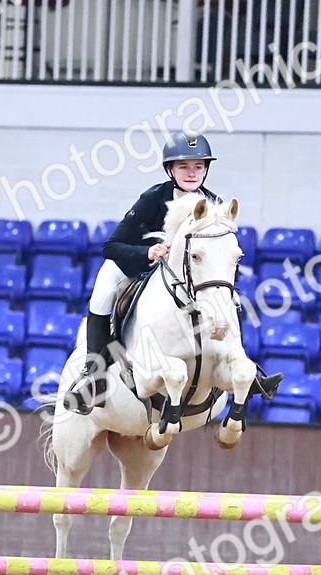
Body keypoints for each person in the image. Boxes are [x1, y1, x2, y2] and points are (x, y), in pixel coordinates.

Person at [62, 131, 280, 415]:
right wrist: (147, 252)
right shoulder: (153, 198)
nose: (192, 173)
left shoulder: (214, 204)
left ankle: (243, 367)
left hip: (185, 276)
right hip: (137, 265)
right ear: (170, 170)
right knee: (102, 293)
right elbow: (111, 246)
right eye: (183, 166)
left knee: (229, 297)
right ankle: (94, 377)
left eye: (198, 166)